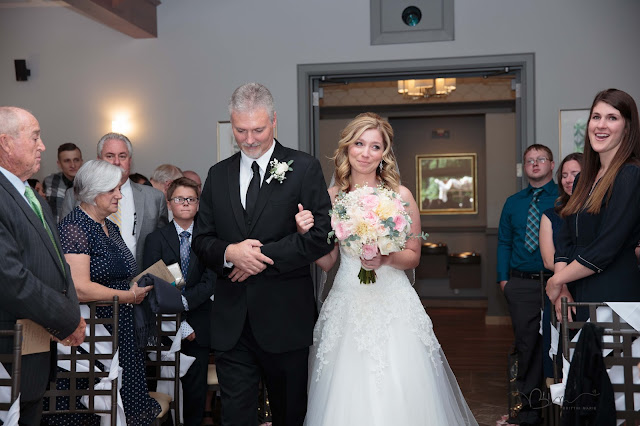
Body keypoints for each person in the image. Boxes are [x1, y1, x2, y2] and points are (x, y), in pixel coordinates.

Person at [297, 113, 477, 425]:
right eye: (359, 144)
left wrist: (385, 259)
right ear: (347, 148)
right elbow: (327, 261)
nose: (365, 153)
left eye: (375, 146)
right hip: (348, 299)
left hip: (392, 299)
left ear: (384, 154)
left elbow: (413, 255)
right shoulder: (332, 198)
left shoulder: (401, 196)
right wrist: (305, 236)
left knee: (402, 385)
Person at [192, 83, 333, 426]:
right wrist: (229, 252)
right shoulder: (218, 174)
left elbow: (321, 237)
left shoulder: (304, 167)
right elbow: (202, 240)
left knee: (290, 415)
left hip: (285, 319)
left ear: (274, 121)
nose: (250, 139)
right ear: (232, 125)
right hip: (231, 323)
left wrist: (255, 257)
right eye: (241, 130)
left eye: (258, 129)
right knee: (235, 417)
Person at [44, 159, 160, 426]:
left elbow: (118, 275)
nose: (120, 194)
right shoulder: (75, 228)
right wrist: (128, 296)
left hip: (120, 326)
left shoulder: (111, 227)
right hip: (93, 334)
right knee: (95, 409)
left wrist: (132, 288)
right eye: (113, 190)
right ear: (94, 193)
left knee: (125, 406)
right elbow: (80, 288)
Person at [0, 106, 85, 424]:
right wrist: (66, 319)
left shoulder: (30, 195)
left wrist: (71, 313)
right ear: (6, 143)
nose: (43, 146)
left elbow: (58, 264)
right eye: (35, 137)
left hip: (33, 350)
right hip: (8, 349)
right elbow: (10, 278)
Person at [547, 89, 640, 320]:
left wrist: (557, 280)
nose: (601, 125)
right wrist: (564, 287)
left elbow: (607, 245)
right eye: (596, 117)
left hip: (612, 294)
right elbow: (566, 237)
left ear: (627, 128)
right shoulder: (582, 179)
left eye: (612, 118)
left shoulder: (630, 174)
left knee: (603, 357)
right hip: (576, 289)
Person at [143, 177, 215, 426]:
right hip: (165, 324)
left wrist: (185, 306)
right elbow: (152, 282)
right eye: (179, 199)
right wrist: (180, 322)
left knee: (196, 389)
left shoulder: (209, 238)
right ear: (169, 203)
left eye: (191, 199)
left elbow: (210, 281)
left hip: (200, 322)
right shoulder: (156, 239)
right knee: (165, 388)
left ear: (198, 203)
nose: (185, 204)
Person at [497, 143, 557, 424]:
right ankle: (530, 410)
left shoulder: (564, 197)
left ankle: (560, 407)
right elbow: (504, 242)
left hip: (558, 283)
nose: (535, 164)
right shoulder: (513, 202)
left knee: (559, 344)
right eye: (530, 160)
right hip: (521, 285)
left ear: (551, 164)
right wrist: (503, 280)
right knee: (527, 345)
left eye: (540, 159)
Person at [61, 133, 168, 272]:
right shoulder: (74, 195)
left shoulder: (154, 197)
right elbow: (65, 246)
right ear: (99, 160)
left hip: (142, 282)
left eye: (122, 156)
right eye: (110, 156)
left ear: (130, 160)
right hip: (93, 282)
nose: (116, 162)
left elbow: (162, 246)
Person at [538, 152, 583, 379]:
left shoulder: (601, 211)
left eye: (574, 173)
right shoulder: (552, 215)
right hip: (559, 290)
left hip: (590, 287)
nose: (568, 179)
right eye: (564, 175)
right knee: (560, 358)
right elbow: (549, 259)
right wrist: (562, 289)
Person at [43, 142, 83, 222]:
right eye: (67, 161)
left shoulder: (89, 184)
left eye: (76, 160)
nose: (72, 165)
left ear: (81, 161)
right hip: (55, 231)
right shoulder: (49, 182)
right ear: (59, 164)